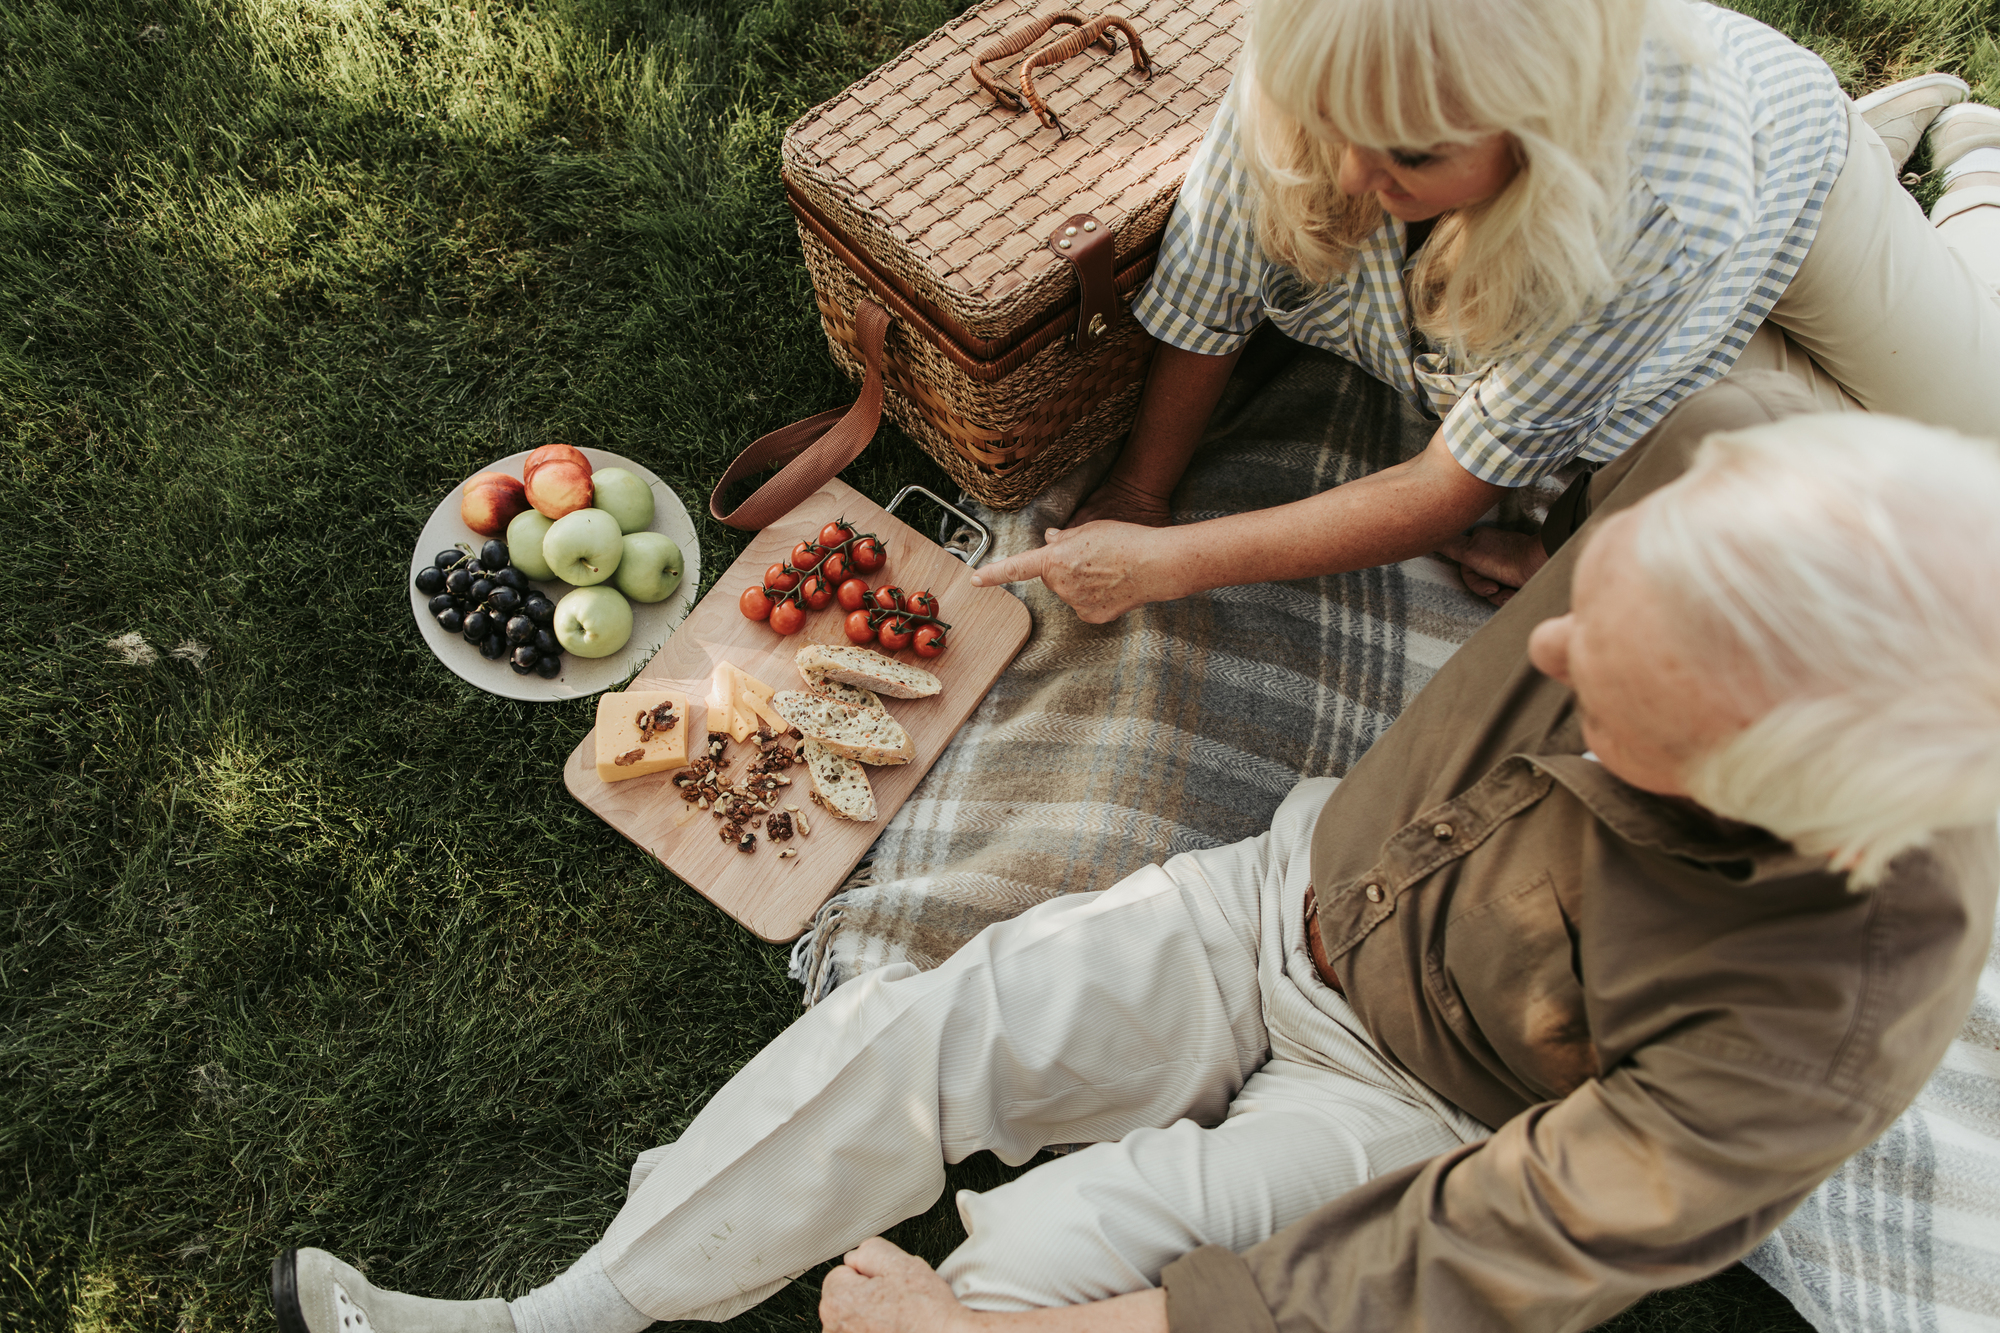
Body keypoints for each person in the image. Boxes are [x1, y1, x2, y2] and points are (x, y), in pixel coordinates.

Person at [272, 372, 2000, 1333]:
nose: (1542, 660)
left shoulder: (1818, 1026)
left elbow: (1450, 1271)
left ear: (1767, 794)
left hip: (1416, 1110)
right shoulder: (1719, 455)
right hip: (1276, 887)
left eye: (1608, 700)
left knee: (1045, 1263)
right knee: (902, 1038)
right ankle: (542, 1328)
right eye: (1580, 616)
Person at [966, 0, 2000, 621]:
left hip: (1787, 180)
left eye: (1410, 154)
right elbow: (1207, 291)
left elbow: (1452, 480)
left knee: (1971, 463)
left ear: (1536, 139)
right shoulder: (1330, 53)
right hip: (1665, 286)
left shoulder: (1655, 207)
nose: (1353, 177)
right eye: (1329, 129)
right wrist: (1141, 494)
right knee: (1779, 446)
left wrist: (1173, 563)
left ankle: (1972, 176)